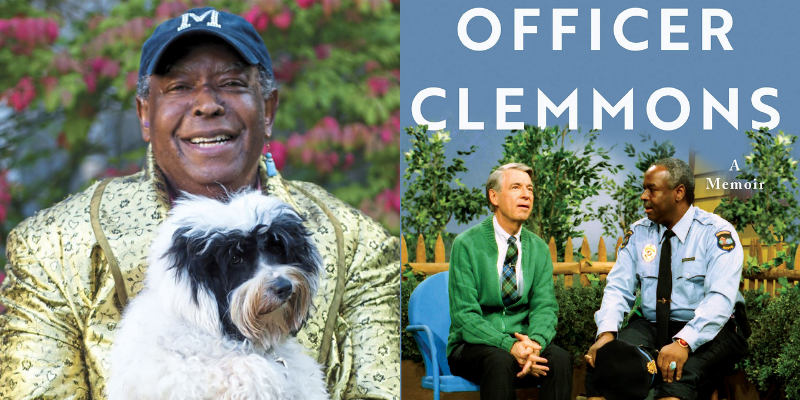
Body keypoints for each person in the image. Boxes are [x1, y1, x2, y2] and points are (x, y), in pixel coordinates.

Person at [0, 7, 399, 400]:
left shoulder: (358, 241)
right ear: (144, 114)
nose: (207, 104)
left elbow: (378, 391)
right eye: (179, 87)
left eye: (231, 83)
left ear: (269, 109)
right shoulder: (52, 244)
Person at [584, 158, 749, 400]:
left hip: (715, 327)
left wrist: (683, 343)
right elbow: (618, 289)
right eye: (644, 188)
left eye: (652, 189)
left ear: (678, 193)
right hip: (653, 325)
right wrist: (606, 335)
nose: (643, 196)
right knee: (605, 364)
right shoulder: (639, 233)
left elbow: (719, 300)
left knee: (676, 375)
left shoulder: (715, 233)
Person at [446, 163, 573, 400]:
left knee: (559, 359)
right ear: (494, 196)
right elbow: (464, 316)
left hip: (524, 344)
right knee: (500, 359)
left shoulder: (539, 249)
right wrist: (509, 346)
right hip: (473, 348)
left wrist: (533, 345)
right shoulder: (466, 244)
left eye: (530, 189)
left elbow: (545, 306)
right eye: (516, 187)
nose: (526, 194)